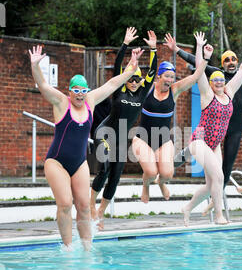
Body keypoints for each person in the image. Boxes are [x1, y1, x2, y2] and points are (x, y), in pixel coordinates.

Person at [29, 45, 141, 250]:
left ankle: (87, 249)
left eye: (83, 91)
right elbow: (43, 85)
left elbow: (111, 84)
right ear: (70, 92)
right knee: (64, 204)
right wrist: (35, 66)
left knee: (83, 206)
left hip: (79, 163)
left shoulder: (90, 101)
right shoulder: (61, 102)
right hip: (57, 162)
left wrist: (130, 71)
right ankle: (68, 247)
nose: (80, 95)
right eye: (76, 91)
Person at [165, 21, 242, 186]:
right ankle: (169, 166)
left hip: (234, 129)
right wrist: (177, 50)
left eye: (233, 59)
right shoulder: (218, 75)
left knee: (227, 167)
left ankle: (218, 197)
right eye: (226, 60)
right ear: (222, 64)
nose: (230, 62)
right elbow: (196, 61)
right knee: (193, 149)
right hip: (213, 126)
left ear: (237, 62)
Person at [181, 32, 242, 226]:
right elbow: (199, 73)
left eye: (221, 80)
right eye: (215, 80)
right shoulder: (207, 95)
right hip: (199, 141)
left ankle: (187, 208)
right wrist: (200, 49)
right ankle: (218, 216)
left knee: (211, 185)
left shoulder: (229, 93)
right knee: (220, 176)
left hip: (214, 144)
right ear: (211, 83)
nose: (218, 82)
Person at [90, 27, 157, 229]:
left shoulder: (142, 92)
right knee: (104, 168)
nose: (135, 82)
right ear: (126, 80)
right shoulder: (119, 89)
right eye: (131, 79)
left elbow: (152, 73)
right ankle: (91, 206)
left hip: (121, 140)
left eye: (138, 79)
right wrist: (125, 44)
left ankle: (101, 212)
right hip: (105, 132)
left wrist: (153, 50)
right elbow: (118, 66)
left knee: (116, 176)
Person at [132, 32, 210, 204]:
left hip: (163, 140)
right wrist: (136, 59)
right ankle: (146, 186)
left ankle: (161, 183)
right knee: (151, 172)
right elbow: (131, 77)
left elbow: (196, 76)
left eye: (172, 77)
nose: (169, 79)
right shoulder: (148, 89)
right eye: (166, 76)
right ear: (159, 76)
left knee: (167, 174)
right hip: (142, 139)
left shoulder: (174, 90)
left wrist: (205, 57)